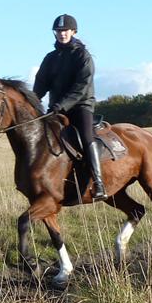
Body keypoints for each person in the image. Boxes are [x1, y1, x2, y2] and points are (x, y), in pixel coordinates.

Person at [33, 14, 106, 201]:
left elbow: (81, 87)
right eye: (58, 31)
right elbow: (41, 84)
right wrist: (33, 102)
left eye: (64, 30)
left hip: (81, 106)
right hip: (56, 109)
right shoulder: (50, 58)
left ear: (73, 31)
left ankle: (98, 183)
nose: (61, 34)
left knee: (86, 136)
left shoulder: (83, 56)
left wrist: (61, 105)